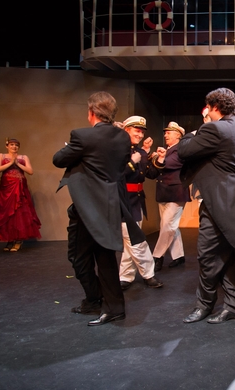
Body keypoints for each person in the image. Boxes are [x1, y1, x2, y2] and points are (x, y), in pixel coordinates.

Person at [53, 91, 146, 326]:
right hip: (110, 205)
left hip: (87, 207)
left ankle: (95, 300)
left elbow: (58, 159)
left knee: (78, 257)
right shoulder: (123, 138)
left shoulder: (82, 136)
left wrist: (76, 153)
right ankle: (110, 305)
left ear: (91, 112)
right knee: (105, 259)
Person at [177, 87, 235, 324]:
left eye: (208, 108)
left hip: (220, 201)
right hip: (231, 198)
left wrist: (191, 132)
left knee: (206, 254)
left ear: (214, 107)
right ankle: (234, 305)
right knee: (222, 254)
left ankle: (205, 304)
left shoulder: (214, 128)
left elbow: (184, 150)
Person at [117, 116, 164, 291]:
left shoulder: (141, 152)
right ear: (126, 130)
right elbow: (114, 175)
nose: (140, 134)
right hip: (123, 200)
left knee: (130, 241)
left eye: (142, 132)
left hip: (137, 201)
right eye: (137, 131)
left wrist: (160, 159)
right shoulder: (117, 150)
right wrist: (131, 163)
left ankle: (125, 276)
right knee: (134, 239)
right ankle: (148, 274)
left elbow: (150, 174)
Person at [0, 138, 41, 252]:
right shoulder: (1, 156)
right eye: (11, 145)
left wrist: (17, 164)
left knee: (19, 212)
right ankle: (10, 239)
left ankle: (18, 240)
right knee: (6, 212)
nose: (14, 147)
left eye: (16, 145)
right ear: (7, 146)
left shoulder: (23, 157)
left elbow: (30, 171)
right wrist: (10, 163)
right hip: (6, 187)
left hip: (20, 187)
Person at [150, 121, 191, 270]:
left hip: (176, 193)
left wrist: (156, 157)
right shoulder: (167, 150)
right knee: (169, 225)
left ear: (178, 135)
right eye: (165, 133)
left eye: (169, 132)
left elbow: (167, 164)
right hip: (164, 192)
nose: (165, 135)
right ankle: (178, 256)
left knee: (168, 226)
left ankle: (157, 256)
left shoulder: (180, 150)